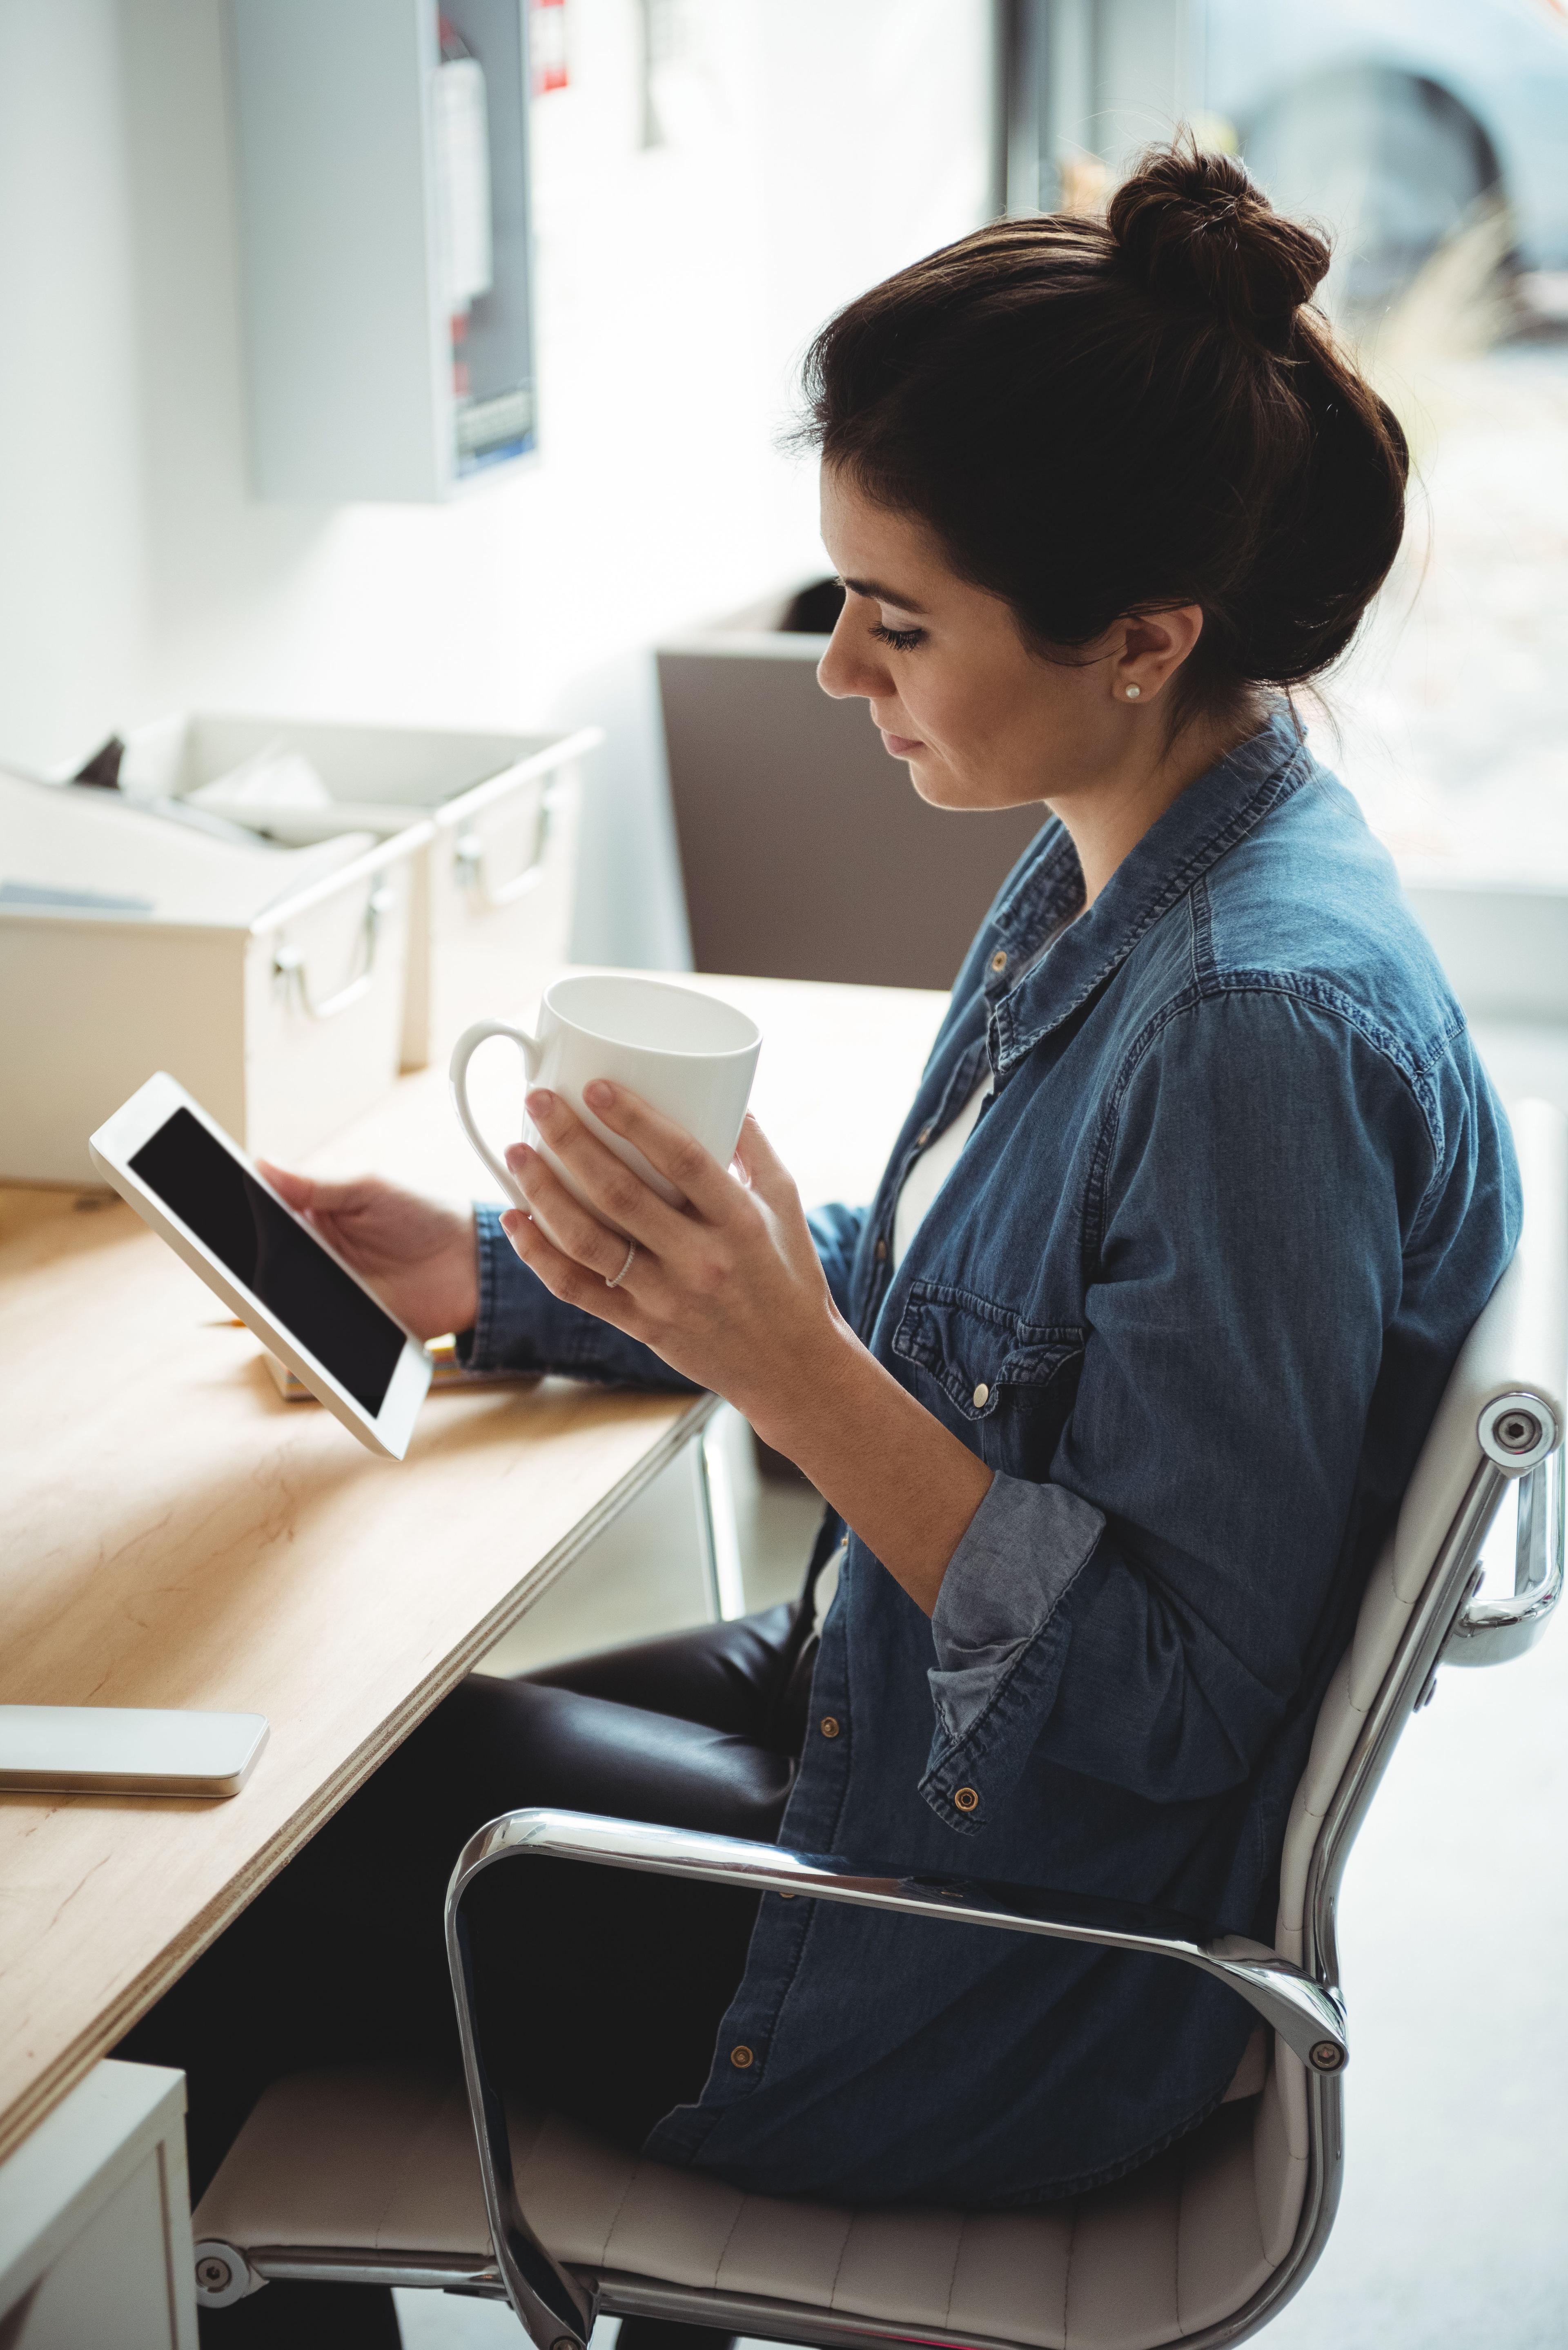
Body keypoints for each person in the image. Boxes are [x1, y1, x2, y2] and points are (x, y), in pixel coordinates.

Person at [122, 143, 1518, 2347]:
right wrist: (484, 1269)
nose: (835, 670)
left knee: (182, 1937)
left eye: (899, 617)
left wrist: (783, 1361)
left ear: (1144, 638)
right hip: (893, 1743)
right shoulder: (1134, 863)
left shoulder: (1258, 1031)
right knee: (294, 1800)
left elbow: (1165, 1697)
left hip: (998, 1962)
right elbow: (993, 1335)